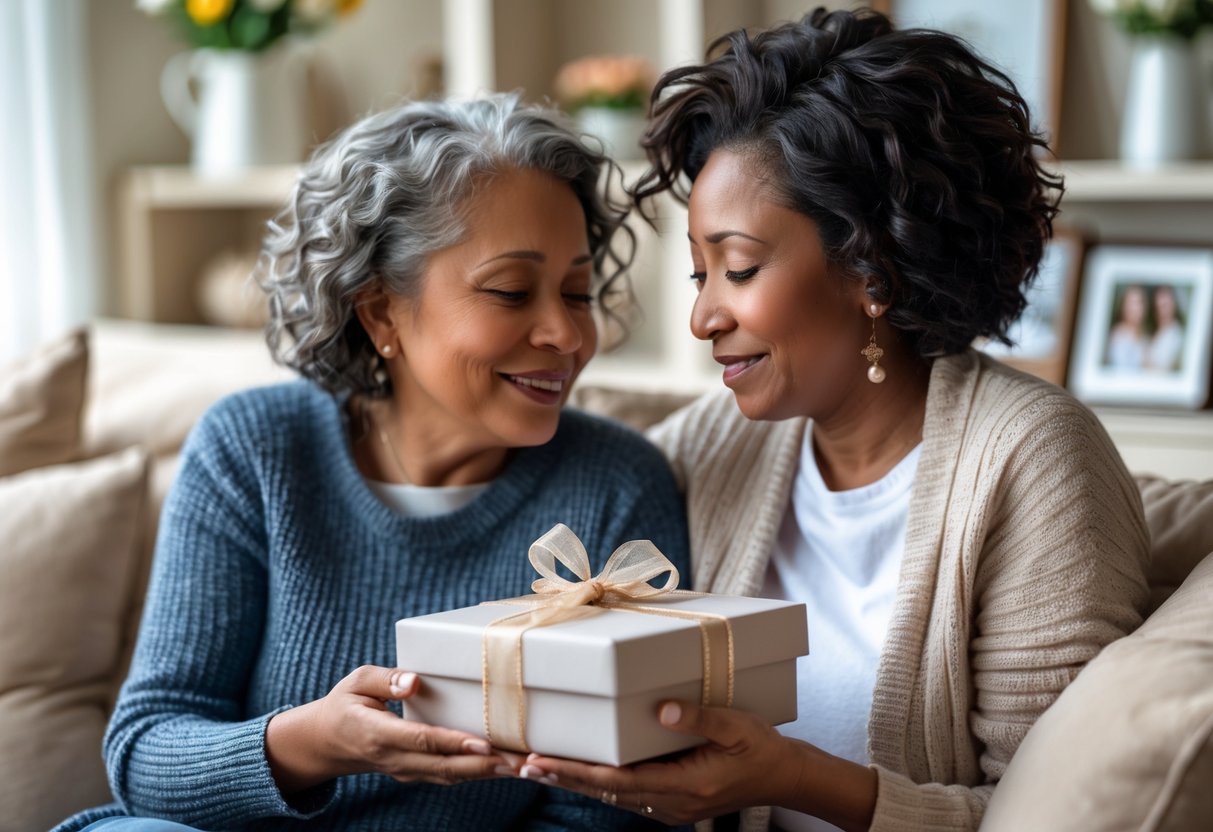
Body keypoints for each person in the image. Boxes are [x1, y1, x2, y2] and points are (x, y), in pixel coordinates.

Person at [518, 9, 1150, 832]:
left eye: (737, 268)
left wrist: (793, 778)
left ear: (869, 266)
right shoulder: (711, 448)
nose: (703, 317)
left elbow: (1052, 816)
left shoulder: (1030, 462)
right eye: (699, 274)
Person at [53, 94, 689, 832]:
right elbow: (146, 755)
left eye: (577, 292)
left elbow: (604, 814)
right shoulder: (256, 449)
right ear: (380, 311)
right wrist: (310, 745)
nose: (566, 333)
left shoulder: (616, 485)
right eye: (512, 291)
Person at [1105, 284, 1149, 370]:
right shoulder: (1117, 335)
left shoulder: (1145, 337)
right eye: (1130, 303)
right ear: (1123, 307)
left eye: (1138, 303)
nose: (1134, 309)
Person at [1146, 284, 1184, 372]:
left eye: (1165, 306)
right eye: (1158, 307)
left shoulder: (1175, 334)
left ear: (1173, 305)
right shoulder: (1154, 331)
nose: (1161, 312)